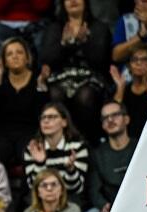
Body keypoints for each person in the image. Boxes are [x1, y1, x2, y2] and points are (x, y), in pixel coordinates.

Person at [40, 0, 110, 142]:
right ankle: (61, 140)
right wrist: (65, 45)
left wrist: (84, 43)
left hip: (90, 77)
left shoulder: (98, 27)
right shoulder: (55, 28)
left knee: (85, 96)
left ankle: (86, 141)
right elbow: (47, 58)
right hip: (61, 77)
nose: (73, 1)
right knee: (55, 94)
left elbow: (101, 59)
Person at [0, 36, 48, 169]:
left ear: (27, 58)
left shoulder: (38, 79)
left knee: (29, 155)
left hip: (29, 133)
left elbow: (42, 114)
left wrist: (41, 87)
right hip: (2, 134)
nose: (15, 56)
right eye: (9, 54)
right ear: (4, 61)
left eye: (19, 52)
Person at [81, 101, 135, 212]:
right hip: (110, 207)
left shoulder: (139, 147)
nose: (110, 120)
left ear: (126, 119)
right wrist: (102, 204)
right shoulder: (98, 154)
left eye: (115, 115)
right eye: (105, 118)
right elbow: (94, 188)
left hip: (137, 205)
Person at [23, 101, 89, 207]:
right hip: (42, 203)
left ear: (64, 122)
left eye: (52, 117)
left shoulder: (77, 148)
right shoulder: (33, 148)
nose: (46, 121)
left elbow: (76, 189)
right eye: (43, 118)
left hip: (69, 201)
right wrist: (40, 163)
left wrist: (71, 170)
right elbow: (33, 187)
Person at [110, 43, 147, 138]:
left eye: (144, 60)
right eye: (134, 59)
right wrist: (120, 87)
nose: (138, 63)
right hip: (127, 139)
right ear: (129, 66)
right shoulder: (123, 90)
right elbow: (113, 114)